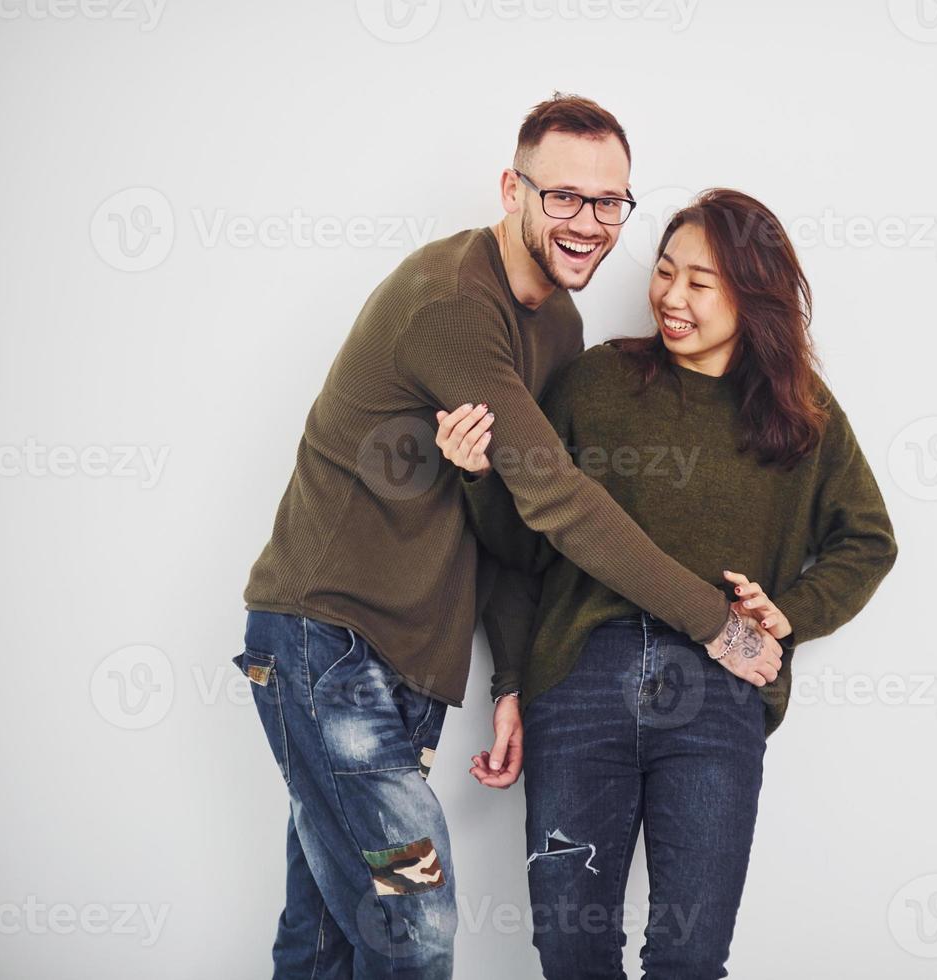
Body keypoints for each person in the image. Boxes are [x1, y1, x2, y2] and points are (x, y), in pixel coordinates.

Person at [237, 96, 781, 979]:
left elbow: (514, 530)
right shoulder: (452, 303)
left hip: (407, 668)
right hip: (324, 649)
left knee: (328, 930)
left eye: (610, 202)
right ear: (511, 189)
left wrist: (512, 679)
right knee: (416, 919)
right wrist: (712, 620)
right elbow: (562, 500)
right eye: (563, 196)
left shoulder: (558, 327)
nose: (588, 223)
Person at [437, 189, 899, 979]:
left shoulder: (801, 414)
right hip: (580, 682)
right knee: (571, 952)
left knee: (690, 957)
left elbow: (869, 539)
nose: (671, 299)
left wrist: (788, 613)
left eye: (701, 284)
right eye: (664, 272)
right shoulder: (596, 381)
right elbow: (523, 544)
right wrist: (480, 476)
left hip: (720, 692)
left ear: (753, 297)